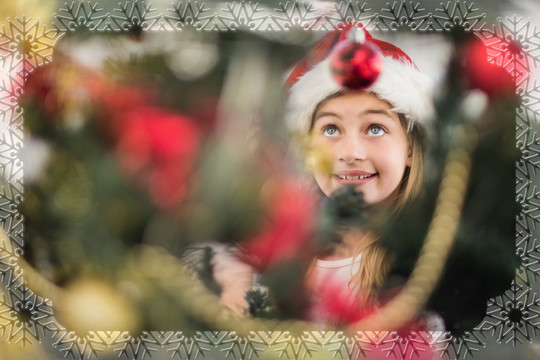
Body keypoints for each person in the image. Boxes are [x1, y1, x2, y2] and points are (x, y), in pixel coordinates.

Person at [282, 22, 439, 329]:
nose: (351, 152)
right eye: (330, 129)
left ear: (410, 148)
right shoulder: (280, 267)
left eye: (375, 128)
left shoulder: (429, 269)